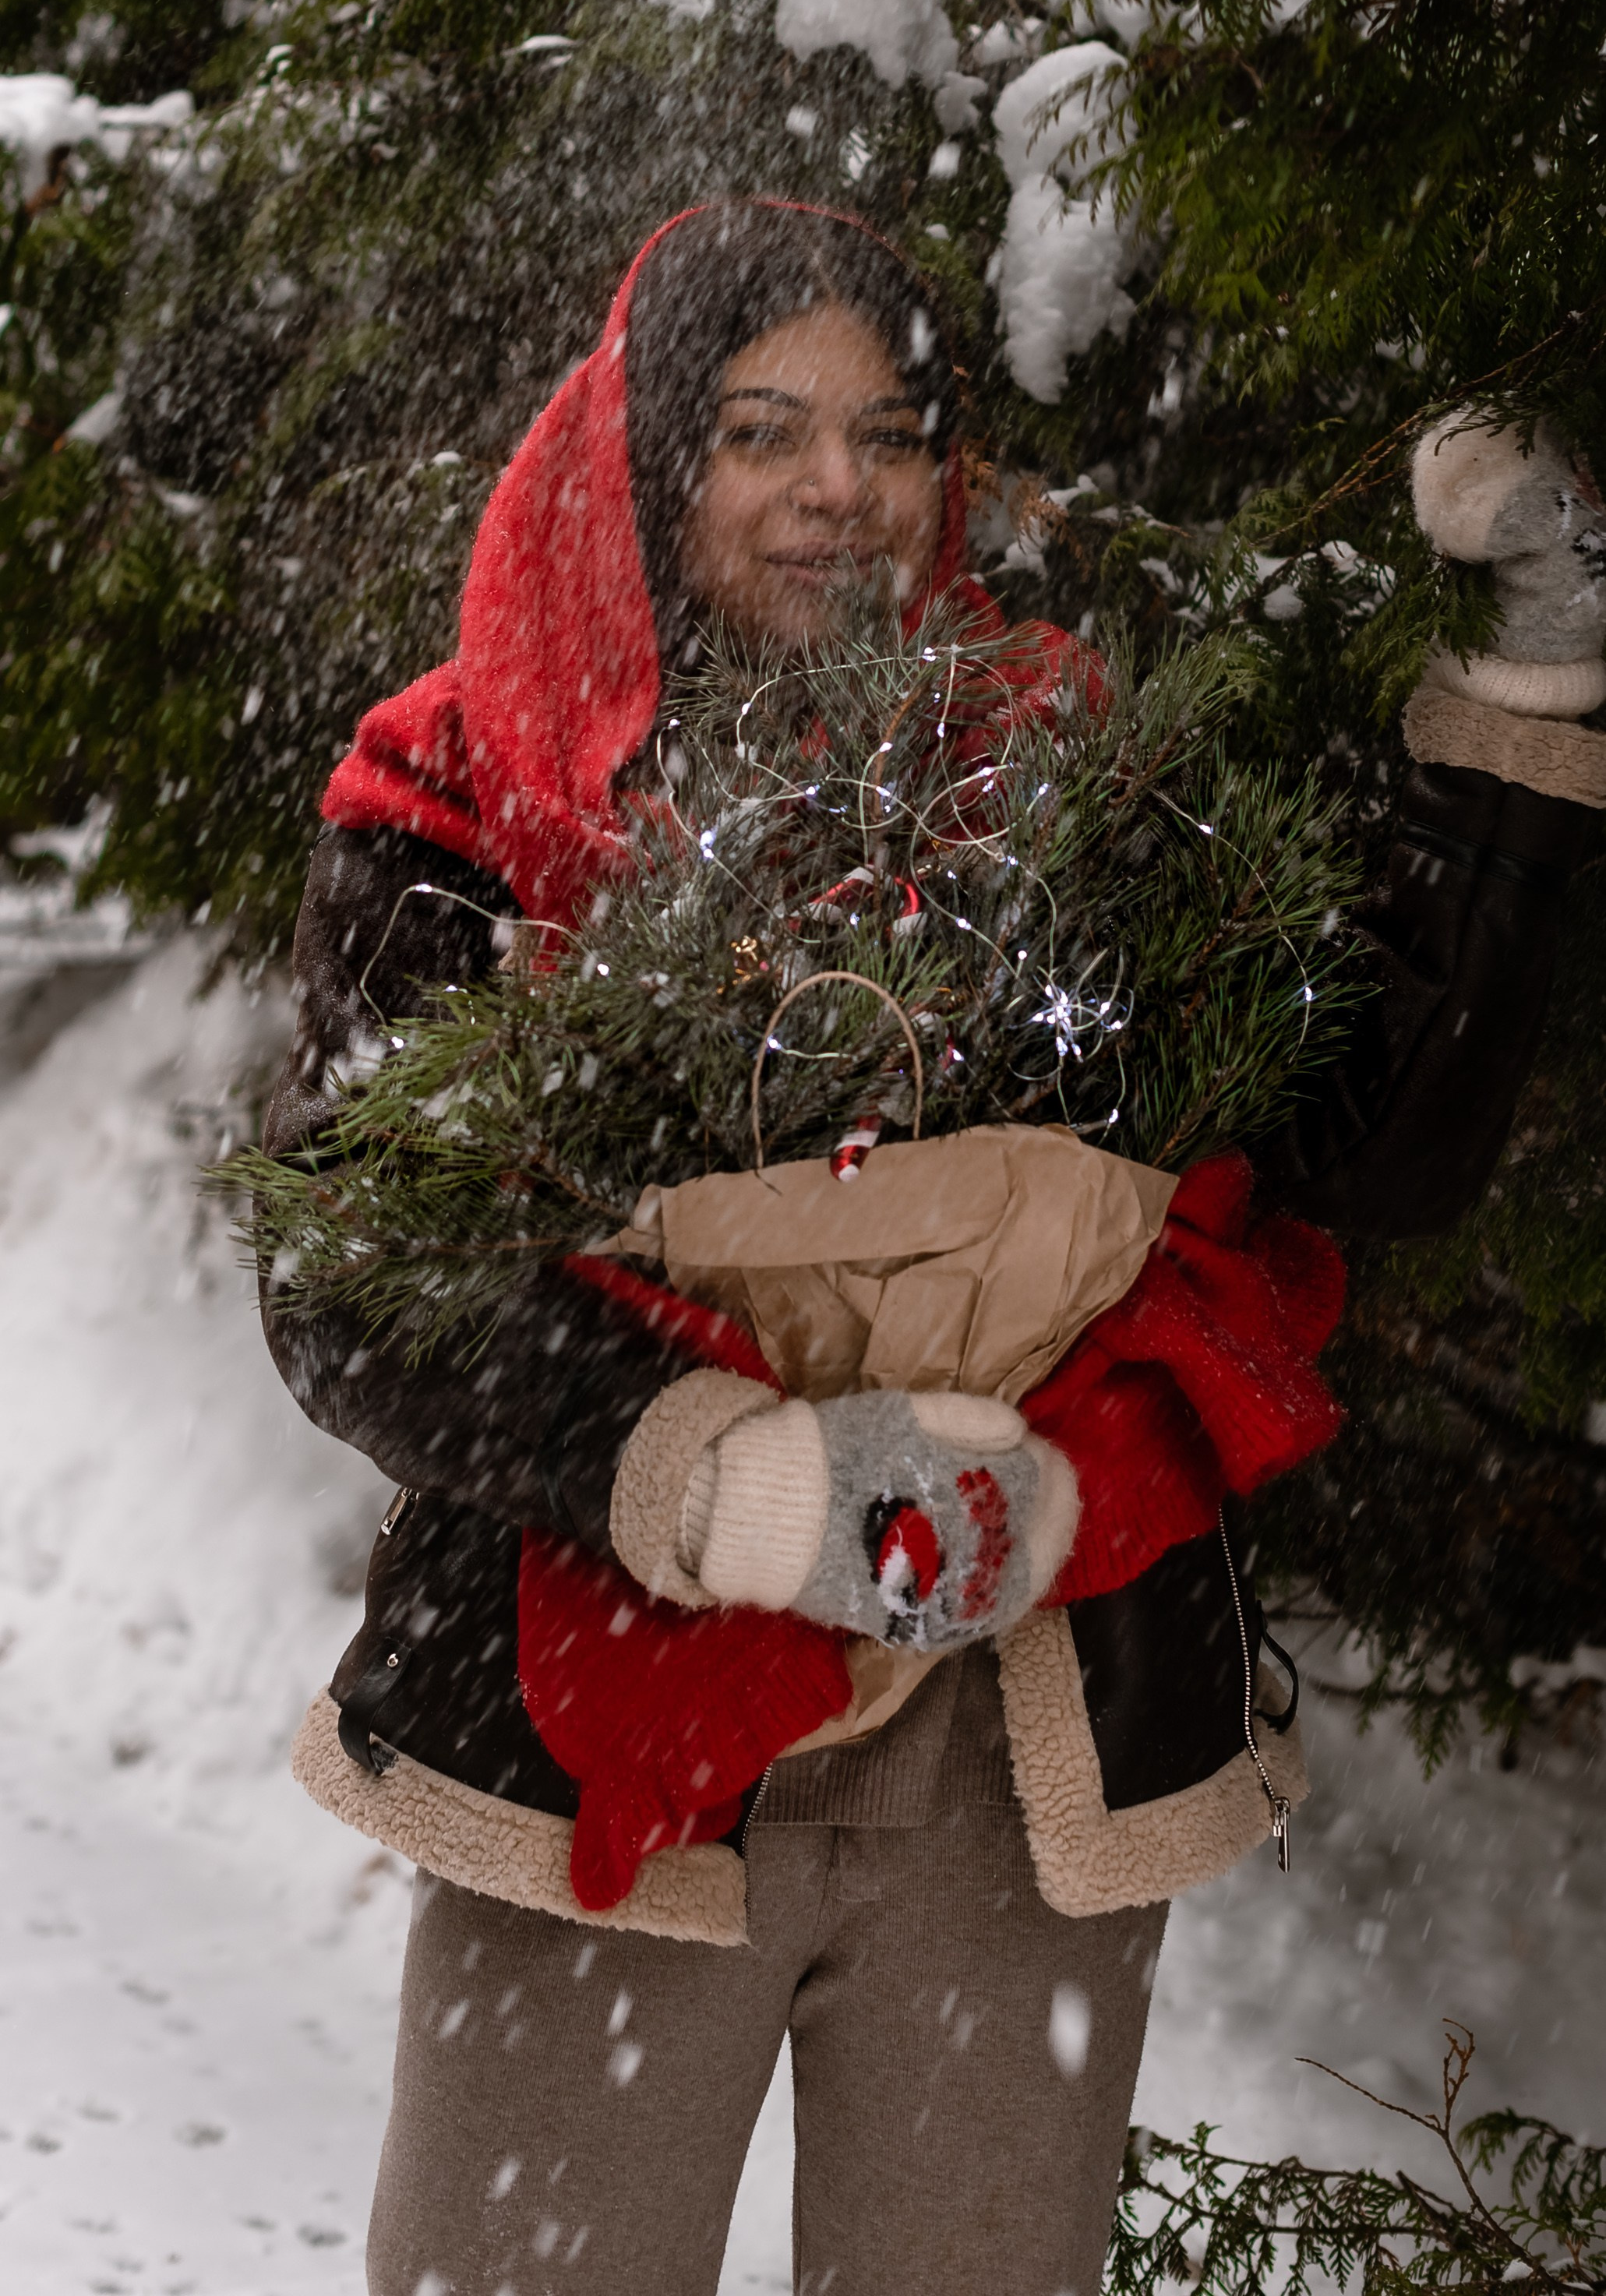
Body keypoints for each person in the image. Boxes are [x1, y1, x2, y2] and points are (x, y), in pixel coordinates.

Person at [260, 201, 1604, 2296]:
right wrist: (731, 1473)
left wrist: (1527, 687)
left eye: (891, 434)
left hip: (1016, 1752)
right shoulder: (462, 792)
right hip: (611, 1733)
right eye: (763, 431)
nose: (839, 489)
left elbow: (1379, 1137)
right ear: (644, 457)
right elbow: (357, 1269)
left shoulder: (1065, 768)